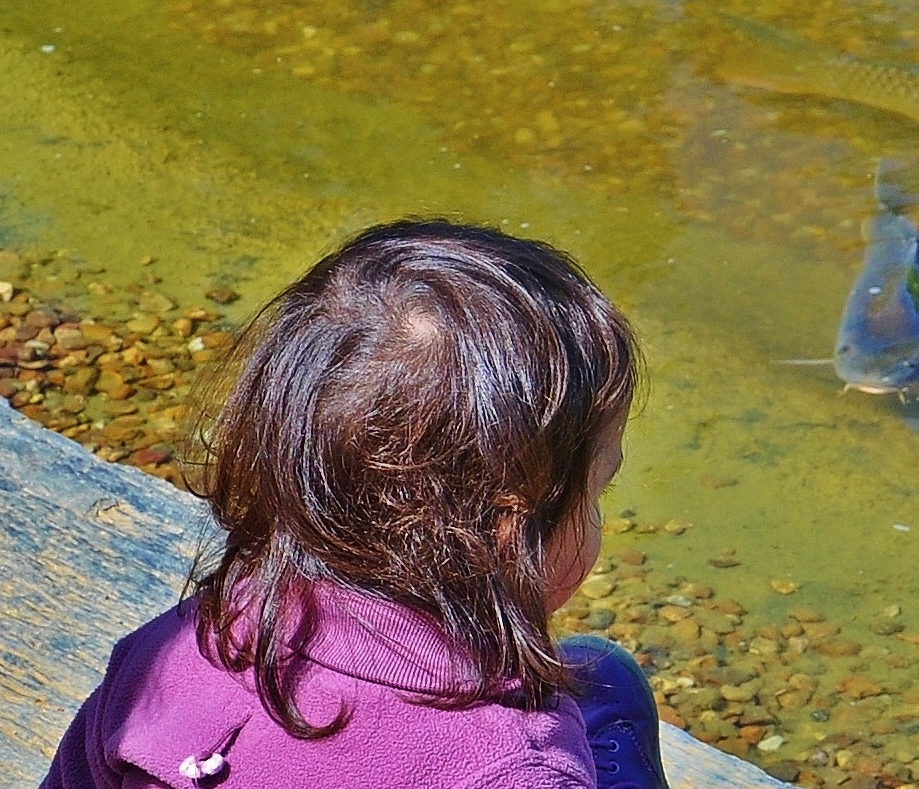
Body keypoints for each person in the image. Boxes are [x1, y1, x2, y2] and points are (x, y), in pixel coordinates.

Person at [41, 220, 669, 789]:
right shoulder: (515, 764)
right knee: (601, 678)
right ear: (508, 525)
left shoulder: (175, 653)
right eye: (599, 488)